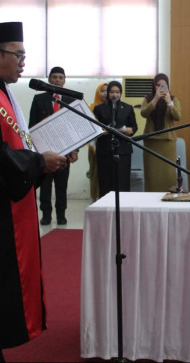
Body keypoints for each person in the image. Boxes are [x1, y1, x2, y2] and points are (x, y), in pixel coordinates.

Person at [0, 21, 67, 360]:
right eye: (18, 54)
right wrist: (39, 163)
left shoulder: (5, 94)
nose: (23, 61)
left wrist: (44, 160)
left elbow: (17, 144)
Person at [29, 66, 79, 225]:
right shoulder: (39, 99)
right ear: (49, 79)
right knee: (44, 185)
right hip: (44, 151)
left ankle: (61, 214)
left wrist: (75, 150)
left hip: (65, 151)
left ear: (64, 81)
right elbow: (32, 125)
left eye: (60, 77)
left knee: (61, 185)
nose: (57, 79)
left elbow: (75, 129)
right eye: (54, 77)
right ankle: (46, 214)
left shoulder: (71, 101)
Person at [93, 80, 138, 198]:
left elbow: (134, 126)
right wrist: (103, 131)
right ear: (108, 93)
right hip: (105, 150)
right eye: (112, 92)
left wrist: (129, 130)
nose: (115, 95)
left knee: (122, 181)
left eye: (117, 92)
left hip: (123, 150)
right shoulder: (99, 109)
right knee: (105, 181)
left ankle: (123, 208)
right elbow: (93, 127)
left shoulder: (128, 108)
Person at [140, 73, 182, 191]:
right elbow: (144, 113)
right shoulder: (148, 98)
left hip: (167, 143)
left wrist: (169, 103)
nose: (160, 88)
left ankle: (168, 199)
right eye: (158, 85)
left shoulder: (174, 99)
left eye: (163, 85)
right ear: (154, 86)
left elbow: (178, 116)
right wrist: (155, 99)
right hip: (151, 142)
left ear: (167, 86)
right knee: (151, 175)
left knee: (168, 175)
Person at [87, 82, 107, 202]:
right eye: (102, 91)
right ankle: (94, 198)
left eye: (107, 91)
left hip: (108, 145)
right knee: (95, 173)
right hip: (95, 145)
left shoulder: (114, 108)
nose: (104, 93)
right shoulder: (91, 107)